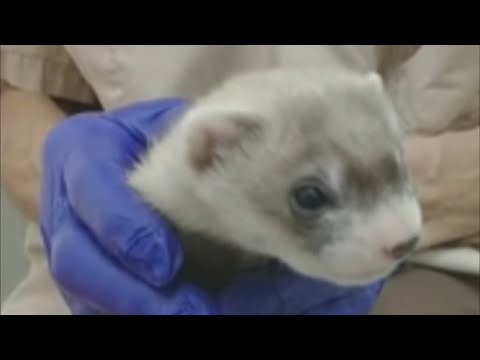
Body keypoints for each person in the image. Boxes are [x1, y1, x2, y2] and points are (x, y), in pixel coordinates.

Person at [1, 45, 478, 315]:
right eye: (311, 198)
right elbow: (16, 86)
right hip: (91, 282)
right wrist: (69, 194)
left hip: (452, 256)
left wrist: (438, 183)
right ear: (209, 154)